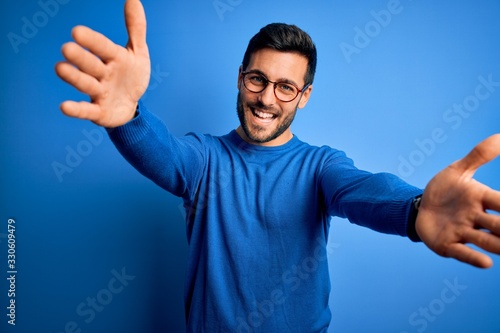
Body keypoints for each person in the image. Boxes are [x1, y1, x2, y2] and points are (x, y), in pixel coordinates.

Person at [55, 0, 500, 332]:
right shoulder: (205, 159)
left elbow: (362, 190)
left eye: (286, 87)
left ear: (304, 96)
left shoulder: (321, 166)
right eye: (257, 80)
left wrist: (416, 208)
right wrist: (129, 114)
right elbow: (166, 156)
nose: (267, 98)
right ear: (240, 77)